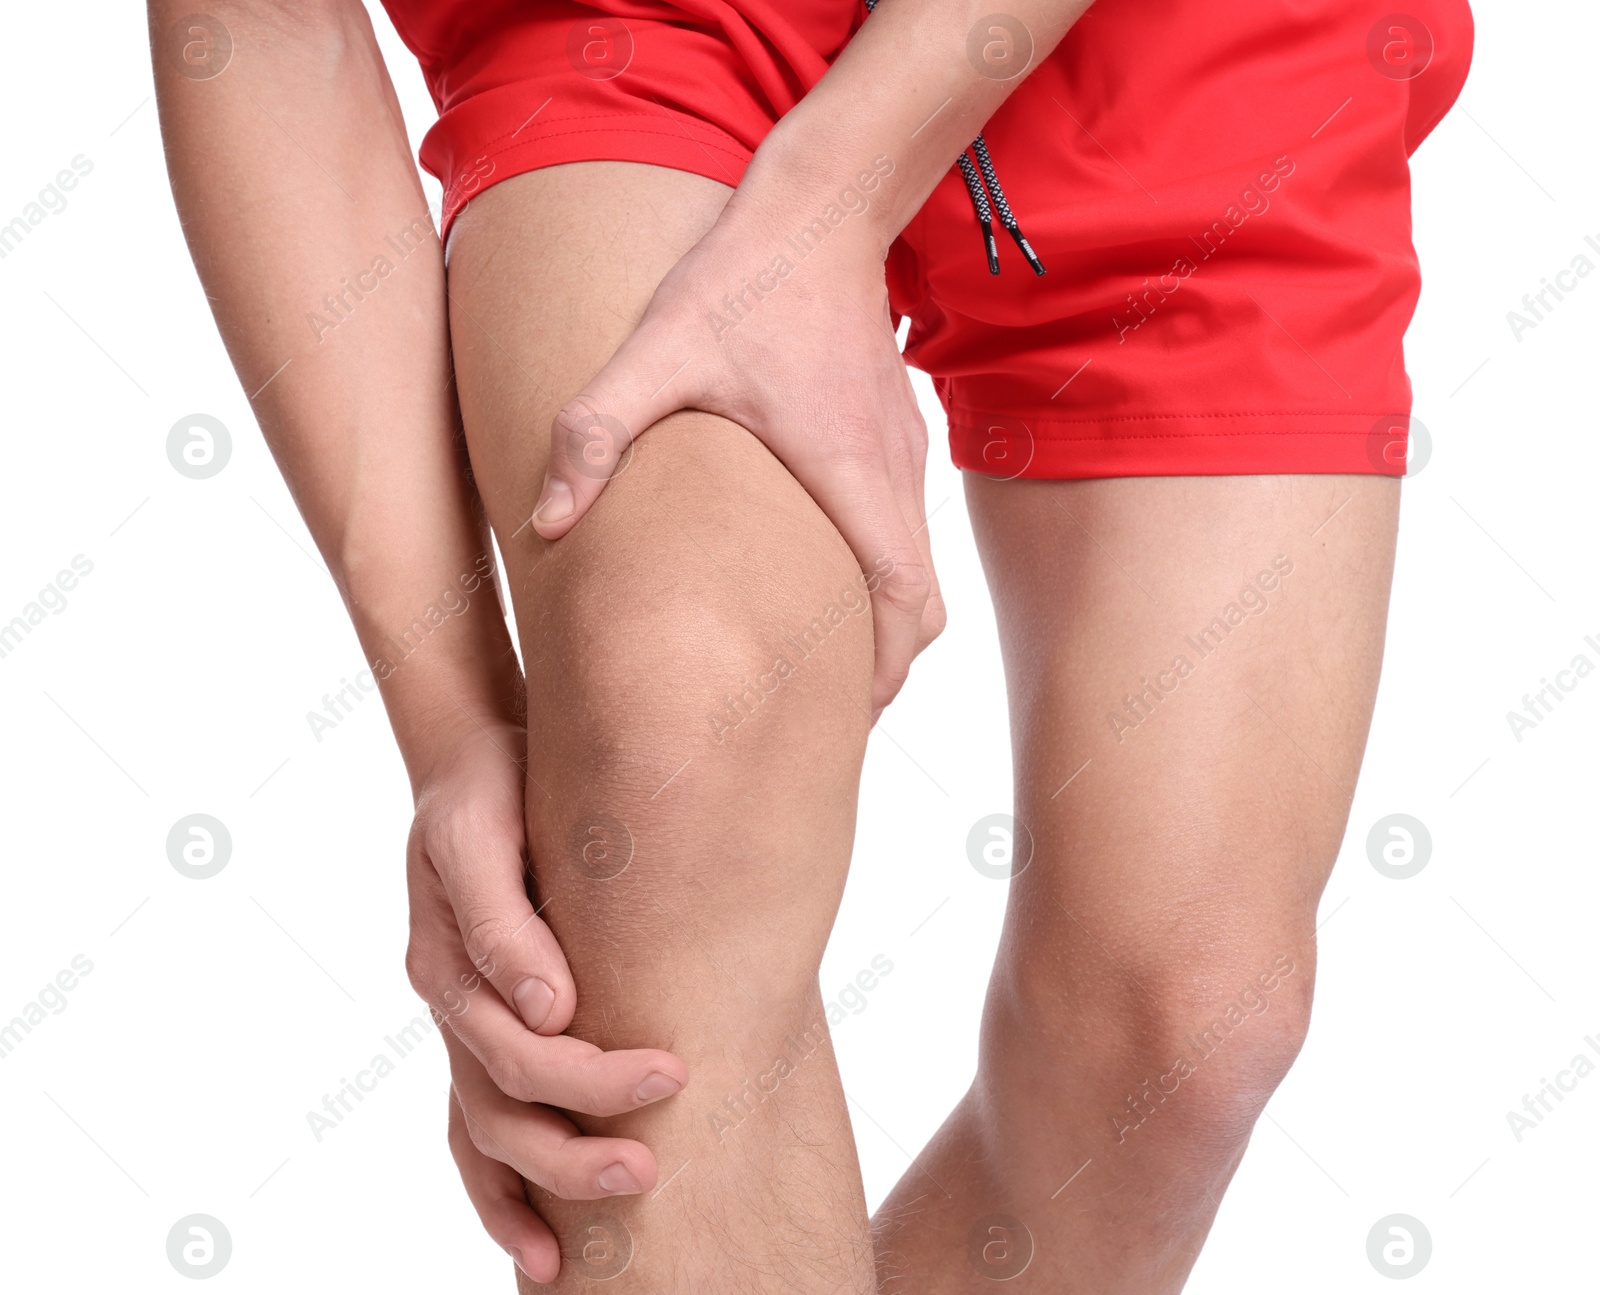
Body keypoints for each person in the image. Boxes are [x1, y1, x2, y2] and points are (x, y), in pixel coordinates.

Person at [149, 0, 1472, 1286]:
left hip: (1179, 38)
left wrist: (826, 205)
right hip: (650, 21)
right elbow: (263, 24)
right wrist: (459, 726)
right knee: (676, 736)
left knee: (1179, 1026)